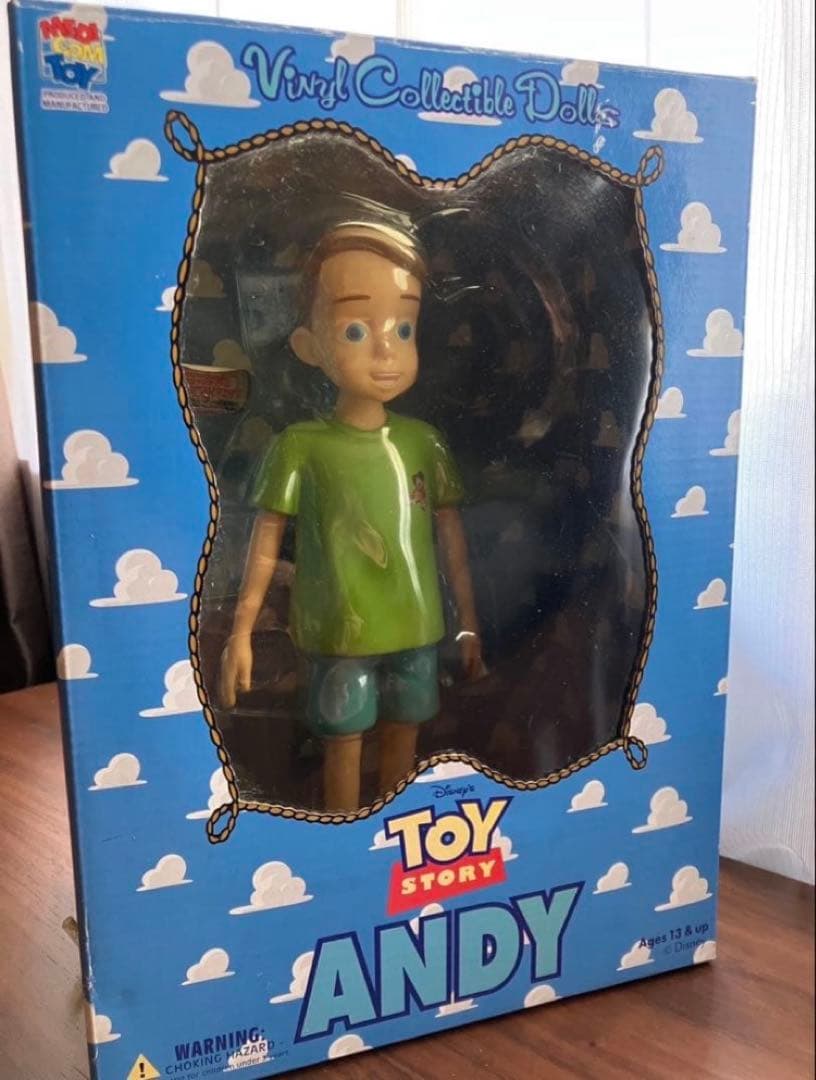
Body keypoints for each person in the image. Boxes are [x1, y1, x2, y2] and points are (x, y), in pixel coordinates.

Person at [220, 221, 483, 812]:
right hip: (340, 631)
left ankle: (394, 827)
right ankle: (343, 829)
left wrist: (469, 622)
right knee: (342, 737)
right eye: (356, 330)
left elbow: (450, 537)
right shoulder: (301, 445)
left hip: (416, 624)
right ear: (308, 345)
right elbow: (266, 538)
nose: (386, 350)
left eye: (404, 328)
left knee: (405, 732)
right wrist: (241, 632)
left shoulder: (422, 442)